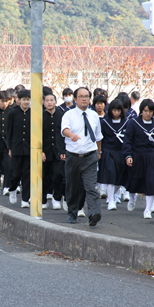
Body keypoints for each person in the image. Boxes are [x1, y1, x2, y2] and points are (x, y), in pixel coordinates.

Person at [61, 87, 103, 226]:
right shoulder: (69, 114)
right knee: (72, 187)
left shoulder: (94, 115)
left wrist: (98, 152)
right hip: (73, 156)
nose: (84, 99)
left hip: (90, 156)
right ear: (75, 99)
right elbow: (64, 129)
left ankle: (93, 214)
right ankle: (72, 213)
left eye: (86, 96)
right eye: (81, 96)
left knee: (91, 187)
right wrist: (71, 135)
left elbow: (98, 136)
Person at [122, 99, 154, 219]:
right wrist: (128, 155)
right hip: (137, 155)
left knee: (151, 182)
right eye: (145, 111)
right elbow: (127, 141)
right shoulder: (133, 123)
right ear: (141, 111)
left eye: (150, 111)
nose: (148, 113)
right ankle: (132, 197)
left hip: (152, 156)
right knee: (135, 180)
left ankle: (148, 209)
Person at [99, 99, 128, 210]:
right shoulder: (104, 122)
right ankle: (111, 201)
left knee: (120, 179)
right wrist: (100, 152)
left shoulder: (127, 122)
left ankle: (115, 195)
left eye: (118, 110)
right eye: (114, 110)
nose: (116, 112)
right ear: (110, 110)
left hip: (122, 152)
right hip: (108, 152)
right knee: (110, 176)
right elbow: (100, 138)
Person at [7, 89, 32, 207]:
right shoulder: (12, 113)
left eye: (28, 99)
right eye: (24, 100)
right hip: (16, 147)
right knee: (15, 173)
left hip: (29, 148)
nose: (26, 102)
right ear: (19, 100)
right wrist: (10, 148)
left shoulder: (33, 113)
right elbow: (9, 132)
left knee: (27, 175)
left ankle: (25, 199)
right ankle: (12, 190)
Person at [42, 93, 64, 210]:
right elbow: (36, 135)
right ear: (43, 102)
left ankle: (56, 199)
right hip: (44, 151)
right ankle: (43, 200)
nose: (49, 102)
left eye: (52, 100)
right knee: (44, 176)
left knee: (58, 175)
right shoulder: (40, 116)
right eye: (47, 100)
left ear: (55, 102)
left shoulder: (61, 115)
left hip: (58, 151)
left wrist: (63, 150)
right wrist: (40, 151)